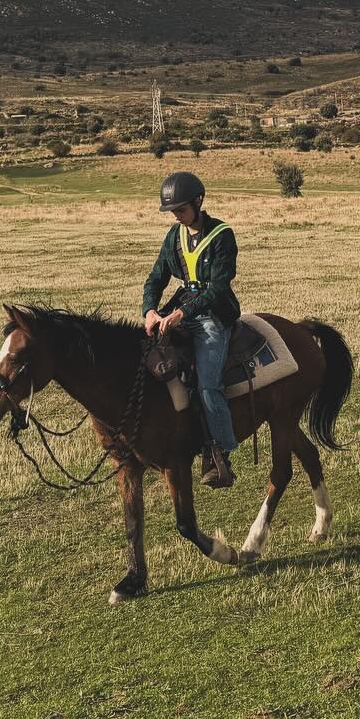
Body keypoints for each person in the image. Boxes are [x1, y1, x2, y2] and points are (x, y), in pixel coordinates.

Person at [143, 170, 241, 488]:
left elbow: (219, 288)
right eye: (173, 211)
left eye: (181, 209)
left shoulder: (223, 235)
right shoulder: (174, 236)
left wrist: (182, 313)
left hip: (213, 315)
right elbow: (156, 277)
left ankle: (220, 452)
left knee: (208, 384)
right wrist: (150, 310)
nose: (177, 216)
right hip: (181, 309)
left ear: (199, 201)